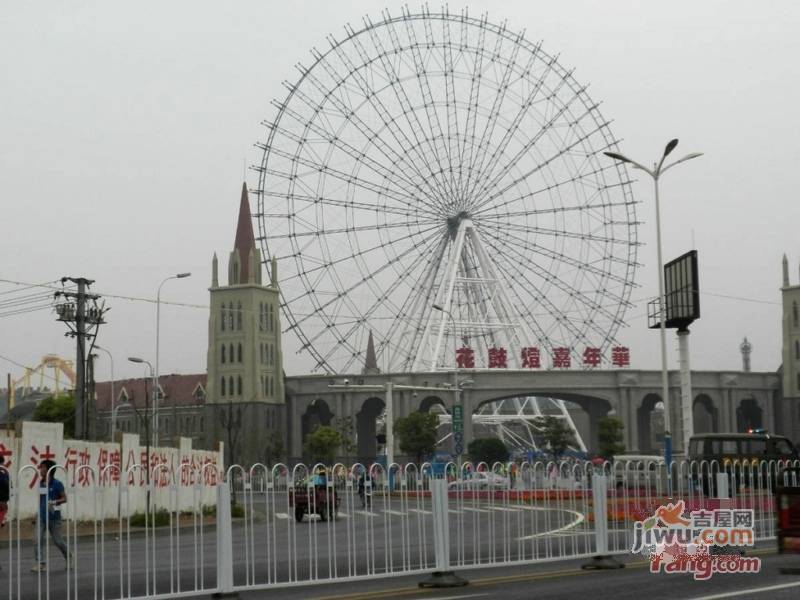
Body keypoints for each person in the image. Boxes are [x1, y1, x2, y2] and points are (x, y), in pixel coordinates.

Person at [31, 460, 70, 572]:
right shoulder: (41, 483)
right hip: (42, 517)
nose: (40, 469)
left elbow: (65, 498)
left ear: (49, 470)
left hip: (54, 517)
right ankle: (41, 563)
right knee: (37, 539)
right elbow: (41, 499)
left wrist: (55, 502)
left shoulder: (57, 484)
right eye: (41, 467)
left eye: (43, 467)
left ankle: (69, 556)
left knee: (58, 541)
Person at [0, 455, 10, 527]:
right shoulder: (5, 471)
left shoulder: (4, 471)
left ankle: (2, 519)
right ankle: (2, 520)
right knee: (4, 508)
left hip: (3, 495)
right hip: (3, 495)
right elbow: (7, 483)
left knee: (4, 508)